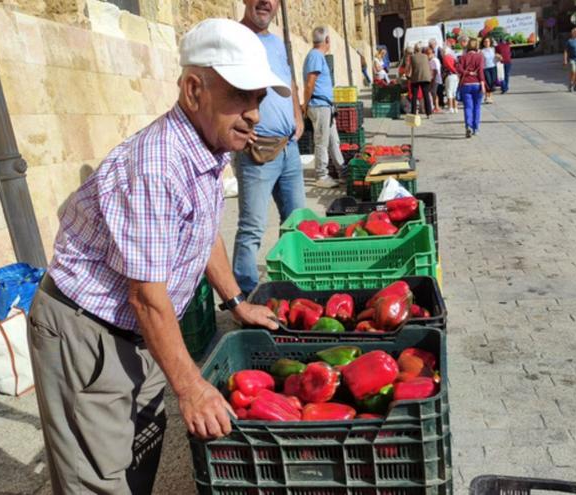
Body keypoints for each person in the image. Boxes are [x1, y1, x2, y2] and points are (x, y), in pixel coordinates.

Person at [27, 18, 285, 494]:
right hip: (88, 331)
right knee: (100, 480)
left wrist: (235, 301)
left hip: (137, 330)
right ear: (193, 90)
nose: (253, 113)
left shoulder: (209, 148)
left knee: (137, 456)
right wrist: (189, 387)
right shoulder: (157, 166)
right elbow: (147, 296)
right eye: (240, 96)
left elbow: (204, 234)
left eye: (258, 99)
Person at [232, 0, 306, 296]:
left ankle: (297, 287)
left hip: (289, 149)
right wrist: (236, 127)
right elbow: (218, 87)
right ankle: (244, 296)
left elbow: (288, 80)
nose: (266, 2)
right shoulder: (233, 38)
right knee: (252, 229)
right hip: (256, 152)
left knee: (297, 222)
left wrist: (298, 115)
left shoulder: (276, 43)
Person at [302, 26, 345, 188]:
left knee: (334, 140)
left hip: (325, 105)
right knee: (321, 140)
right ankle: (321, 175)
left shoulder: (317, 56)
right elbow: (310, 83)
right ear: (327, 40)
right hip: (319, 105)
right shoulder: (315, 56)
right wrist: (305, 105)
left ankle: (342, 172)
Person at [457, 38, 487, 138]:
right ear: (477, 46)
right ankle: (475, 128)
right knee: (477, 107)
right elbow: (481, 71)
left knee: (468, 107)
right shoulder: (480, 57)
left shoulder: (462, 57)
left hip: (465, 84)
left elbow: (459, 69)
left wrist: (467, 73)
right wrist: (483, 84)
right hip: (477, 84)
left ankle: (468, 126)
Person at [409, 43, 433, 118]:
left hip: (416, 78)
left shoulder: (412, 57)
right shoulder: (425, 56)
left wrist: (408, 76)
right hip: (425, 77)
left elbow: (410, 68)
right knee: (426, 95)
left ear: (414, 49)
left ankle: (413, 113)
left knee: (414, 96)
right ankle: (428, 113)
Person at [480, 37, 497, 103]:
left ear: (490, 42)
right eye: (485, 41)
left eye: (488, 41)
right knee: (488, 82)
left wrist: (498, 57)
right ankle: (487, 97)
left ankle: (490, 96)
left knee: (493, 81)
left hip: (493, 67)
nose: (487, 43)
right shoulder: (481, 51)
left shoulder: (493, 49)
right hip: (485, 68)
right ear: (483, 43)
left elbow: (496, 57)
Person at [442, 47, 459, 113]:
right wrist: (457, 73)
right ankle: (455, 108)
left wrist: (454, 71)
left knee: (449, 91)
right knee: (454, 92)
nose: (442, 53)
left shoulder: (446, 57)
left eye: (442, 51)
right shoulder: (452, 57)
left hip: (450, 75)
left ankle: (450, 108)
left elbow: (449, 66)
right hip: (455, 76)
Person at [428, 47, 442, 113]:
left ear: (433, 53)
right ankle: (435, 106)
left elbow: (435, 71)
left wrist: (432, 79)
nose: (428, 55)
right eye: (427, 54)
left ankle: (437, 107)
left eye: (429, 54)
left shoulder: (434, 60)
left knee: (434, 93)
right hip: (433, 78)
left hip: (435, 78)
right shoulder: (431, 60)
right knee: (433, 93)